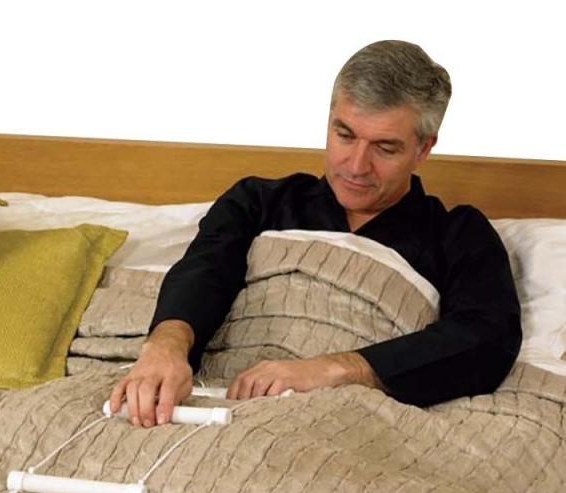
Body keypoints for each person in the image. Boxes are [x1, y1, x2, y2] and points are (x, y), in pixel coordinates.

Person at [109, 40, 522, 426]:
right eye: (345, 135)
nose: (356, 166)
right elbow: (205, 270)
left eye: (385, 148)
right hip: (214, 395)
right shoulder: (257, 202)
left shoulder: (458, 234)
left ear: (424, 148)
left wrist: (335, 369)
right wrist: (166, 346)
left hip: (337, 419)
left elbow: (486, 338)